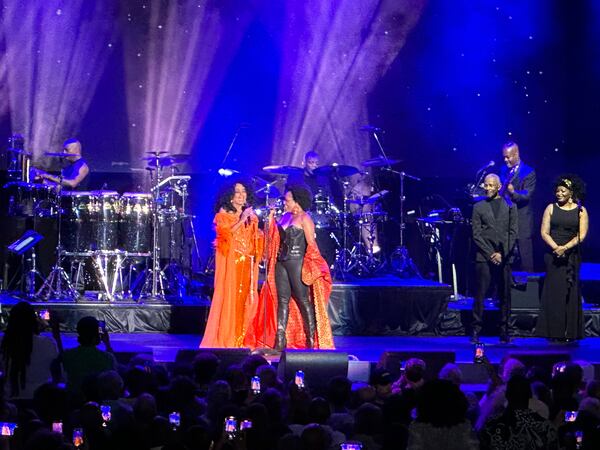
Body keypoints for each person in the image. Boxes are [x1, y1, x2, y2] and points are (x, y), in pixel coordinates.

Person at [245, 185, 334, 350]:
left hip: (297, 262)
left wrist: (314, 266)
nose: (284, 203)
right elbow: (273, 238)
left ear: (297, 201)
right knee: (282, 300)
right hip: (281, 263)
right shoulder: (284, 217)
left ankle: (311, 340)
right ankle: (280, 340)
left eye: (287, 200)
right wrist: (270, 219)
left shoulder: (304, 218)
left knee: (303, 300)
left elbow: (312, 245)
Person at [200, 180, 263, 348]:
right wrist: (242, 219)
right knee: (231, 300)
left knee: (246, 300)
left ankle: (242, 339)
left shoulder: (250, 214)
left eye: (244, 191)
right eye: (237, 192)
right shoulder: (224, 213)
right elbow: (225, 236)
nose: (242, 195)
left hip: (247, 264)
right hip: (233, 265)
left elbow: (254, 237)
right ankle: (230, 339)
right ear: (230, 196)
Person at [536, 175, 588, 342]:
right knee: (554, 292)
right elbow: (544, 232)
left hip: (571, 255)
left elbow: (582, 235)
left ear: (571, 193)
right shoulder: (550, 208)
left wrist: (565, 248)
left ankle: (570, 331)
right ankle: (553, 331)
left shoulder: (581, 210)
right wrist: (556, 248)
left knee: (570, 292)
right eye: (557, 191)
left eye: (562, 191)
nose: (558, 193)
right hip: (553, 254)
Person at [471, 173, 518, 343]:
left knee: (505, 295)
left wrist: (502, 253)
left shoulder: (510, 206)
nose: (488, 188)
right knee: (480, 294)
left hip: (504, 257)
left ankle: (504, 330)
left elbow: (513, 233)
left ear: (499, 186)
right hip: (484, 257)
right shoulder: (478, 207)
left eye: (491, 185)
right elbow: (476, 235)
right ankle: (476, 330)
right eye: (486, 185)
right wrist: (491, 254)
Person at [0, 302, 59, 400]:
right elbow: (58, 372)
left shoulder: (3, 343)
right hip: (40, 400)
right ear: (33, 321)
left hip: (10, 398)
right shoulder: (47, 344)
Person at [499, 142, 536, 273]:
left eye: (508, 157)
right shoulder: (503, 170)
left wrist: (513, 192)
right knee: (505, 253)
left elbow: (527, 195)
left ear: (516, 154)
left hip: (522, 220)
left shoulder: (528, 172)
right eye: (504, 157)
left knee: (525, 255)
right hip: (506, 219)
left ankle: (529, 288)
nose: (505, 160)